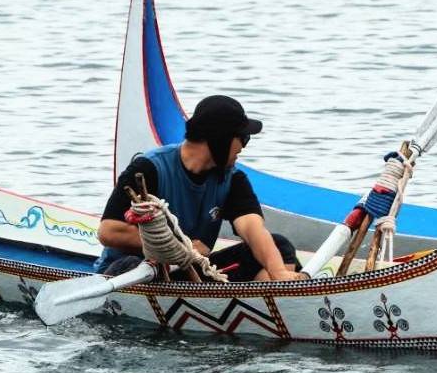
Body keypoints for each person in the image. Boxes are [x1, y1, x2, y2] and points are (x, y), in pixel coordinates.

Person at [96, 95, 307, 281]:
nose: (243, 146)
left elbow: (253, 229)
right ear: (220, 138)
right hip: (134, 272)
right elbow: (108, 231)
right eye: (242, 138)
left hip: (189, 273)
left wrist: (278, 271)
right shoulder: (149, 169)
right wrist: (179, 247)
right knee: (138, 265)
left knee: (279, 247)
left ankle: (273, 297)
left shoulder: (232, 179)